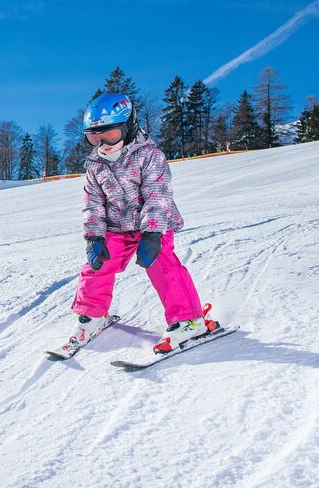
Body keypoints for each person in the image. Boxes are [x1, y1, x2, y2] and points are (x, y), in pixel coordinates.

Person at [69, 93, 217, 354]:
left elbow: (158, 195)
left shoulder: (150, 155)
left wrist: (152, 234)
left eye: (110, 135)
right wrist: (94, 237)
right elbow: (92, 203)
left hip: (153, 225)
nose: (103, 143)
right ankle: (92, 315)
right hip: (117, 227)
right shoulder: (94, 165)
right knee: (98, 264)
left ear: (128, 128)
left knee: (162, 264)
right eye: (94, 137)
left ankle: (188, 320)